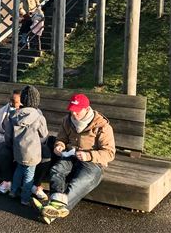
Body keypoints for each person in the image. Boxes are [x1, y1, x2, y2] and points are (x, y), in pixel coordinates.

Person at [34, 93, 115, 224]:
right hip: (70, 155)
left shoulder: (102, 126)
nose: (74, 114)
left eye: (77, 112)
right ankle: (54, 209)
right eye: (72, 111)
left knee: (80, 182)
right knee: (56, 170)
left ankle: (53, 209)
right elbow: (61, 139)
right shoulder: (67, 120)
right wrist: (59, 146)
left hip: (92, 162)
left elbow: (109, 153)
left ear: (87, 109)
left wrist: (88, 155)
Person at [5, 86, 48, 206]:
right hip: (32, 153)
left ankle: (13, 191)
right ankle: (25, 198)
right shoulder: (39, 117)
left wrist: (10, 144)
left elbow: (8, 134)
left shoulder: (14, 115)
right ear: (36, 101)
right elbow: (44, 135)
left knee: (19, 170)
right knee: (29, 176)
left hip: (18, 150)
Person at [0, 89, 21, 194]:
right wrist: (6, 139)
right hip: (6, 140)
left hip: (24, 142)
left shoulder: (31, 111)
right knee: (3, 150)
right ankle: (7, 181)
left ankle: (32, 185)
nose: (11, 103)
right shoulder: (4, 110)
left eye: (14, 101)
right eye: (10, 99)